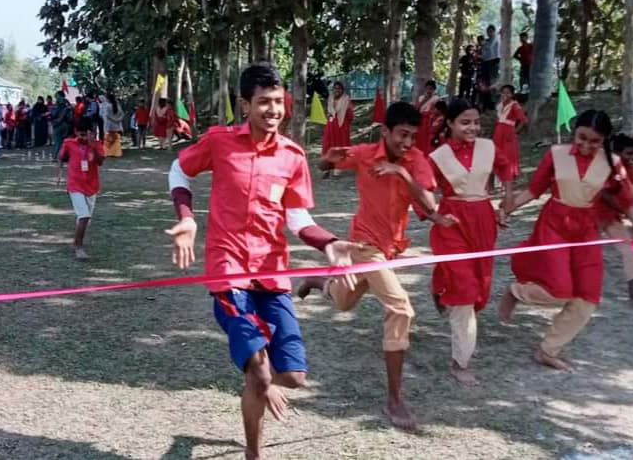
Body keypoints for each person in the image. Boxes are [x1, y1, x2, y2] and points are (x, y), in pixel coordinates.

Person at [165, 62, 359, 460]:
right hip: (228, 273)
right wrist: (186, 218)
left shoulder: (292, 156)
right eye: (263, 102)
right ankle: (255, 453)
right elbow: (177, 171)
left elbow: (298, 217)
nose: (273, 110)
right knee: (260, 373)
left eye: (278, 102)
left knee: (293, 376)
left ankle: (262, 373)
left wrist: (329, 243)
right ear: (244, 104)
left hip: (273, 274)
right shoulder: (220, 141)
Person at [299, 102, 456, 429]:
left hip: (390, 250)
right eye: (402, 134)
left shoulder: (417, 161)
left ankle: (318, 282)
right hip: (363, 245)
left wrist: (402, 172)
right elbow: (325, 164)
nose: (407, 142)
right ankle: (394, 400)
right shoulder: (365, 153)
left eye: (413, 136)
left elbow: (428, 206)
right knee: (401, 309)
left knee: (344, 302)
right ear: (385, 131)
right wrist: (326, 160)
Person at [499, 110, 633, 371]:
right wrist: (506, 210)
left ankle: (548, 350)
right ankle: (517, 292)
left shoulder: (612, 163)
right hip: (553, 226)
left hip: (586, 232)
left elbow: (626, 201)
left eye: (595, 141)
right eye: (582, 138)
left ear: (604, 140)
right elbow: (534, 190)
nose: (587, 146)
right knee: (559, 291)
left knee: (588, 297)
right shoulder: (556, 155)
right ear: (574, 131)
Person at [426, 97, 513, 384]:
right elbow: (424, 189)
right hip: (452, 223)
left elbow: (506, 169)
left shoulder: (489, 147)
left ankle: (440, 284)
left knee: (480, 287)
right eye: (465, 122)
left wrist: (507, 202)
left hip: (484, 221)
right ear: (449, 123)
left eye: (476, 122)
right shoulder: (437, 156)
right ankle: (460, 361)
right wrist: (432, 214)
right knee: (464, 289)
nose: (472, 127)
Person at [596, 134, 633, 303]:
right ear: (616, 152)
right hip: (593, 215)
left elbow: (629, 197)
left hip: (612, 217)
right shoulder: (607, 165)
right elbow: (604, 193)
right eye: (629, 154)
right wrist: (627, 213)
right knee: (581, 250)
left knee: (628, 249)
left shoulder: (627, 169)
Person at [59, 118, 105, 260]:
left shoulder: (96, 144)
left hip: (91, 186)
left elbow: (100, 161)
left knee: (85, 219)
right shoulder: (69, 143)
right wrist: (60, 171)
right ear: (76, 132)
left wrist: (92, 145)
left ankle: (75, 242)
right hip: (75, 184)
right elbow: (61, 157)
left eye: (86, 134)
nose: (83, 138)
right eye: (81, 135)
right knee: (84, 216)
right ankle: (79, 247)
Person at [492, 85, 528, 180]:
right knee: (497, 153)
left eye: (507, 92)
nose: (505, 95)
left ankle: (509, 175)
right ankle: (498, 175)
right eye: (503, 92)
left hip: (508, 132)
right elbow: (498, 119)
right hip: (498, 132)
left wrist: (515, 132)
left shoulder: (514, 105)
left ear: (512, 94)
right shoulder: (500, 105)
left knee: (508, 154)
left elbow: (524, 120)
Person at [321, 81, 354, 178]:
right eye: (335, 88)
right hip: (330, 126)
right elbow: (329, 112)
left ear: (342, 90)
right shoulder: (330, 99)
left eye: (339, 88)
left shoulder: (346, 100)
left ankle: (337, 171)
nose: (337, 90)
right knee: (327, 146)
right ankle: (326, 170)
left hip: (342, 127)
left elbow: (351, 115)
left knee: (339, 147)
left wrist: (344, 115)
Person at [415, 80, 440, 155]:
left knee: (427, 138)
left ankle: (425, 153)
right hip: (421, 120)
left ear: (434, 89)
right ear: (425, 89)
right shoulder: (421, 97)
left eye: (431, 89)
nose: (429, 91)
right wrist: (424, 100)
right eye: (428, 88)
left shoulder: (436, 99)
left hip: (430, 121)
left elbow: (437, 111)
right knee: (419, 137)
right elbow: (417, 108)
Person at [50, 91, 73, 160]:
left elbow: (53, 114)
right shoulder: (68, 104)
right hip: (66, 125)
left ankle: (55, 157)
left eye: (56, 95)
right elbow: (71, 116)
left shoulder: (57, 104)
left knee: (58, 142)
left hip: (58, 124)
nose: (55, 97)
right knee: (65, 142)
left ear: (59, 95)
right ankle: (65, 157)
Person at [101, 93, 124, 157]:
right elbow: (122, 114)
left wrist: (113, 119)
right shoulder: (118, 105)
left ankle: (108, 152)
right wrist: (118, 120)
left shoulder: (108, 106)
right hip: (116, 125)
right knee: (116, 140)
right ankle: (116, 153)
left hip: (109, 125)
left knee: (108, 140)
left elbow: (107, 115)